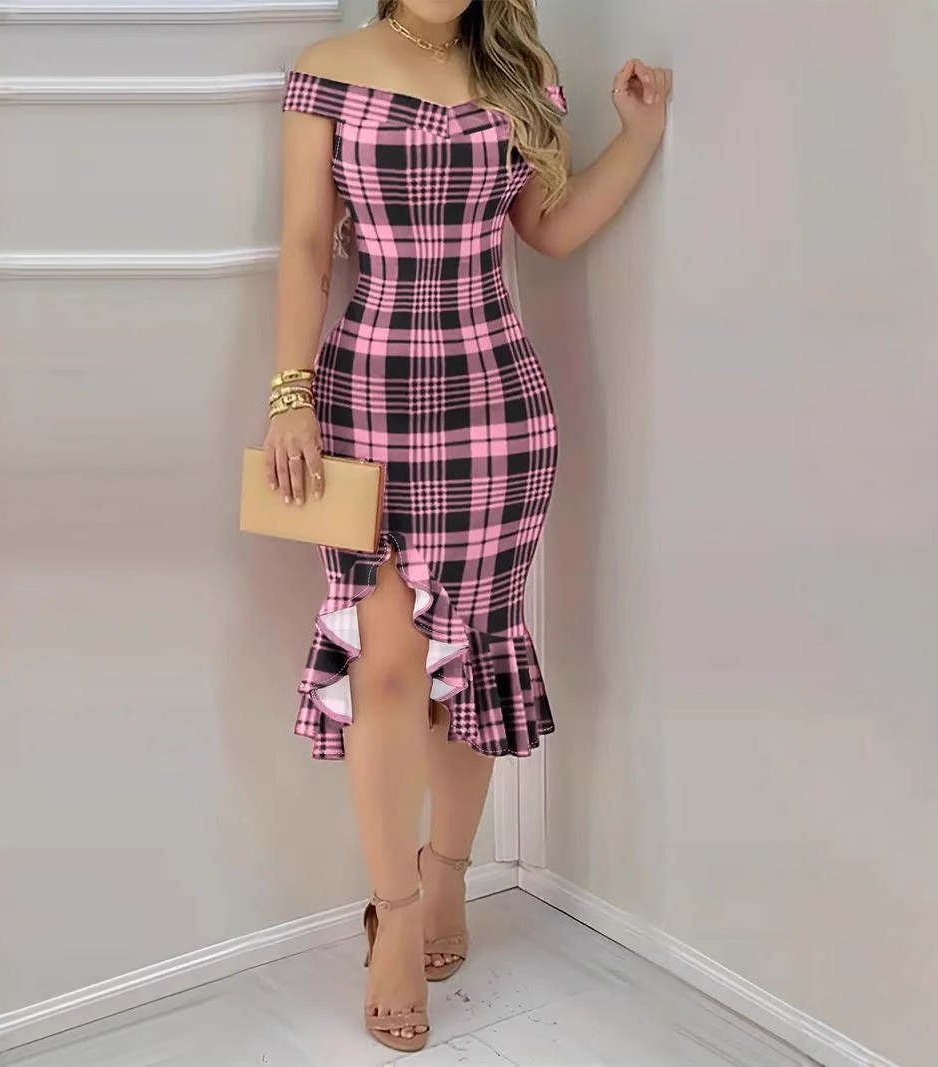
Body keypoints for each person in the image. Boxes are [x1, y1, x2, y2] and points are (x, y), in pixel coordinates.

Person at [263, 0, 670, 1053]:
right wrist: (288, 396)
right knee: (387, 667)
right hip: (365, 399)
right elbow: (304, 245)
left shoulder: (515, 73)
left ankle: (448, 874)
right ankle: (394, 915)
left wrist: (639, 137)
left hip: (498, 406)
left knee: (473, 658)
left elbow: (549, 228)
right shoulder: (328, 67)